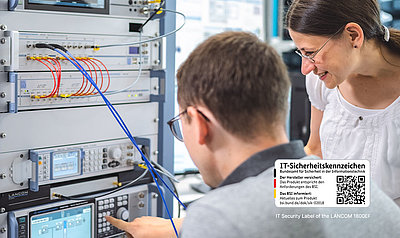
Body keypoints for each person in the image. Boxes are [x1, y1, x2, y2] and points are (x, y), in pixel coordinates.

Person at [106, 32, 400, 237]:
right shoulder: (357, 187)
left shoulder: (219, 217)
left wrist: (200, 223)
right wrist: (182, 227)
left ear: (199, 122)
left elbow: (251, 209)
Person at [286, 0, 400, 200]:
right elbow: (316, 149)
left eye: (310, 53)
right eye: (301, 53)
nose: (305, 68)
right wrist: (282, 192)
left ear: (353, 35)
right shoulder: (320, 80)